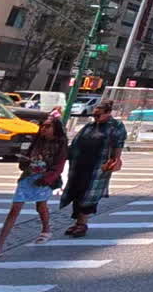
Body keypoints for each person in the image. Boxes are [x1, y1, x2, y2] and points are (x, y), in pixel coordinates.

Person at [0, 117, 68, 260]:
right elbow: (26, 158)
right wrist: (24, 161)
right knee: (15, 209)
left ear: (55, 128)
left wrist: (47, 178)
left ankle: (46, 229)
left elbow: (59, 165)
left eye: (48, 126)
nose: (43, 129)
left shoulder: (61, 144)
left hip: (45, 179)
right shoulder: (37, 140)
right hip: (28, 176)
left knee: (41, 206)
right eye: (43, 126)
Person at [59, 101, 126, 238]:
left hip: (98, 166)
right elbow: (76, 143)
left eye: (98, 115)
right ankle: (78, 222)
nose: (95, 117)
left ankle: (82, 224)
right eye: (94, 115)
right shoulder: (89, 126)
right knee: (76, 192)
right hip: (80, 164)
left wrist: (116, 160)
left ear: (108, 113)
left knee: (89, 195)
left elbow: (118, 144)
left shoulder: (116, 126)